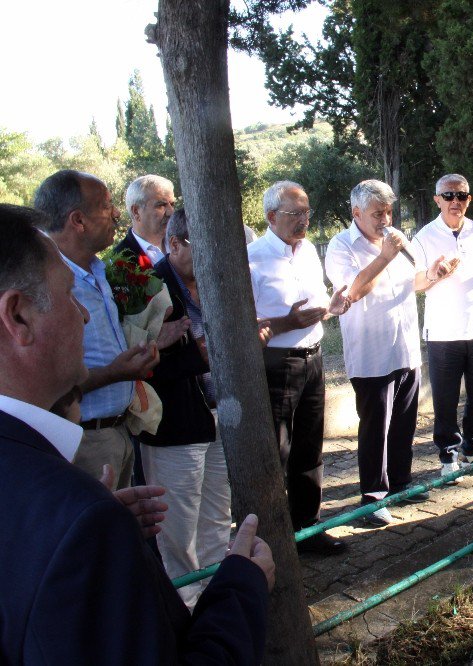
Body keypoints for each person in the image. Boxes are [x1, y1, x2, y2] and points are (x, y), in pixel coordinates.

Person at [0, 204, 272, 664]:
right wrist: (243, 587)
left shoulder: (62, 507)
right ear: (19, 317)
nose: (84, 319)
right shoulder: (76, 516)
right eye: (71, 297)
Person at [33, 170, 187, 489]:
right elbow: (43, 381)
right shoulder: (43, 281)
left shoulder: (99, 270)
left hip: (118, 431)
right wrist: (116, 373)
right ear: (78, 221)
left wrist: (149, 345)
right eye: (106, 206)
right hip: (84, 438)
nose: (117, 213)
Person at [325, 179, 454, 526]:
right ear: (356, 213)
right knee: (375, 428)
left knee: (404, 424)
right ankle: (372, 497)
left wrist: (435, 275)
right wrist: (385, 256)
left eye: (388, 211)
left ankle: (400, 483)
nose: (385, 219)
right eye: (377, 213)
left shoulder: (396, 238)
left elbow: (414, 282)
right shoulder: (341, 247)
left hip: (406, 348)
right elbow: (353, 292)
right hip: (372, 355)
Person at [248, 181, 351, 555]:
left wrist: (333, 305)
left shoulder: (307, 250)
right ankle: (272, 538)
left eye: (307, 212)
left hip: (313, 356)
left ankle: (306, 528)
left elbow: (316, 299)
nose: (304, 221)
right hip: (277, 364)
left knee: (310, 448)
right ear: (272, 216)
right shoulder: (251, 257)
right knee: (277, 452)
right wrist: (287, 322)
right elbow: (246, 324)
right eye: (296, 214)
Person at [140, 208, 230, 608]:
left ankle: (217, 590)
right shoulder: (148, 285)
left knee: (216, 510)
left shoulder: (214, 278)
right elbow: (143, 360)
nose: (211, 253)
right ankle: (186, 605)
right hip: (174, 422)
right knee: (177, 523)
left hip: (220, 413)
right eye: (201, 245)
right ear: (174, 243)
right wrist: (205, 355)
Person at [412, 174, 473, 482]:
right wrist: (433, 273)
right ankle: (448, 456)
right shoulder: (424, 237)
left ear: (469, 199)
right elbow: (414, 283)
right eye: (448, 195)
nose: (455, 201)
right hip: (443, 333)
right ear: (437, 199)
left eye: (461, 196)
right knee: (445, 399)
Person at [116, 174, 177, 267]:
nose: (171, 212)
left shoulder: (184, 242)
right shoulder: (120, 260)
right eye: (161, 205)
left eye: (172, 204)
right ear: (136, 212)